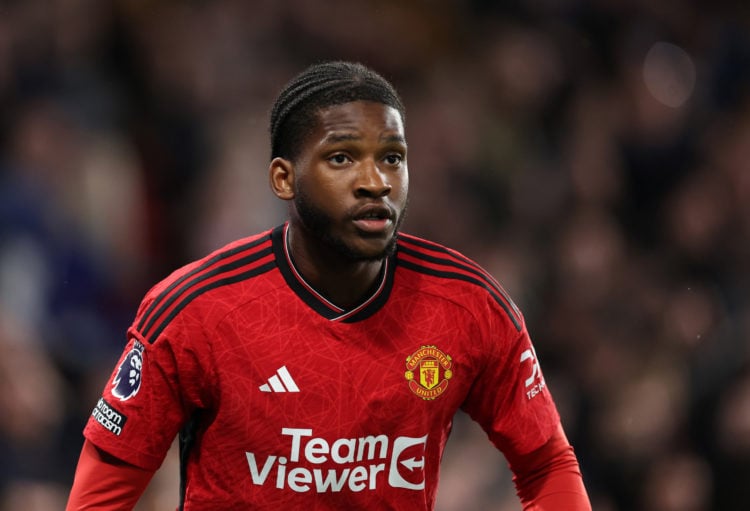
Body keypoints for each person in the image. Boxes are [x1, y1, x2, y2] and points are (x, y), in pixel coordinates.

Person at [66, 61, 591, 510]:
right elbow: (105, 487)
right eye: (342, 157)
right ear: (283, 178)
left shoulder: (469, 306)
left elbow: (545, 461)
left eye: (392, 157)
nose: (375, 180)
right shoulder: (194, 311)